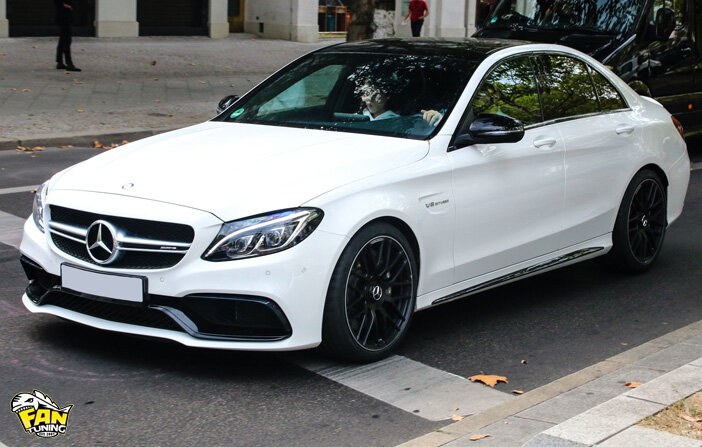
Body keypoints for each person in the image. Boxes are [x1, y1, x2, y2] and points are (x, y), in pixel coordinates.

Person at [54, 0, 81, 71]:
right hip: (64, 16)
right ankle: (69, 63)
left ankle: (60, 61)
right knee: (67, 40)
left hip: (63, 16)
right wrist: (69, 6)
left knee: (63, 39)